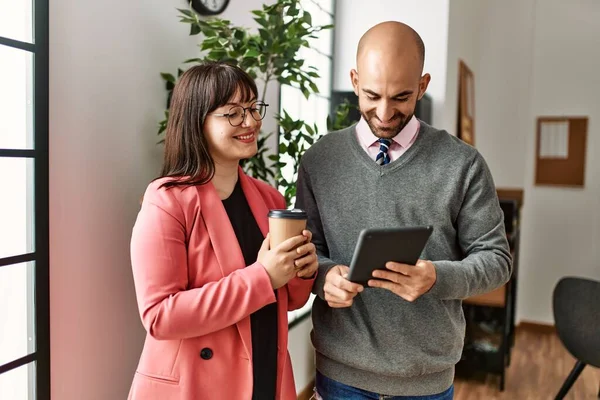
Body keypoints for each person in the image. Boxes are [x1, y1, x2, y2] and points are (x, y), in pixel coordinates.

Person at [296, 21, 512, 399]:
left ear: (423, 86)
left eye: (400, 97)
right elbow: (307, 252)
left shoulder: (462, 164)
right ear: (354, 79)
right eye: (372, 94)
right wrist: (325, 277)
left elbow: (496, 260)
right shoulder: (319, 161)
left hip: (425, 382)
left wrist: (436, 278)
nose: (383, 112)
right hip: (340, 377)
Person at [128, 61, 318, 400]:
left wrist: (302, 268)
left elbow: (291, 300)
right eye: (232, 113)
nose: (250, 122)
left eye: (252, 108)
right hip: (198, 387)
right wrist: (262, 276)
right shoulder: (167, 201)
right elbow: (159, 316)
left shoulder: (269, 197)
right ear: (197, 121)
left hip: (262, 375)